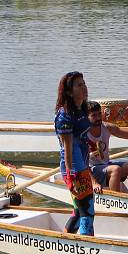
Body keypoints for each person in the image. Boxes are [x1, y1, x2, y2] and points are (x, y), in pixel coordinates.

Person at [54, 71, 94, 235]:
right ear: (70, 92)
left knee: (78, 212)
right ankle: (87, 247)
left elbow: (82, 136)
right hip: (75, 169)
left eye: (84, 84)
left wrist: (92, 144)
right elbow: (68, 147)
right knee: (88, 212)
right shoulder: (65, 116)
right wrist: (72, 175)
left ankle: (66, 239)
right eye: (79, 85)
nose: (84, 88)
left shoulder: (82, 109)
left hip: (83, 164)